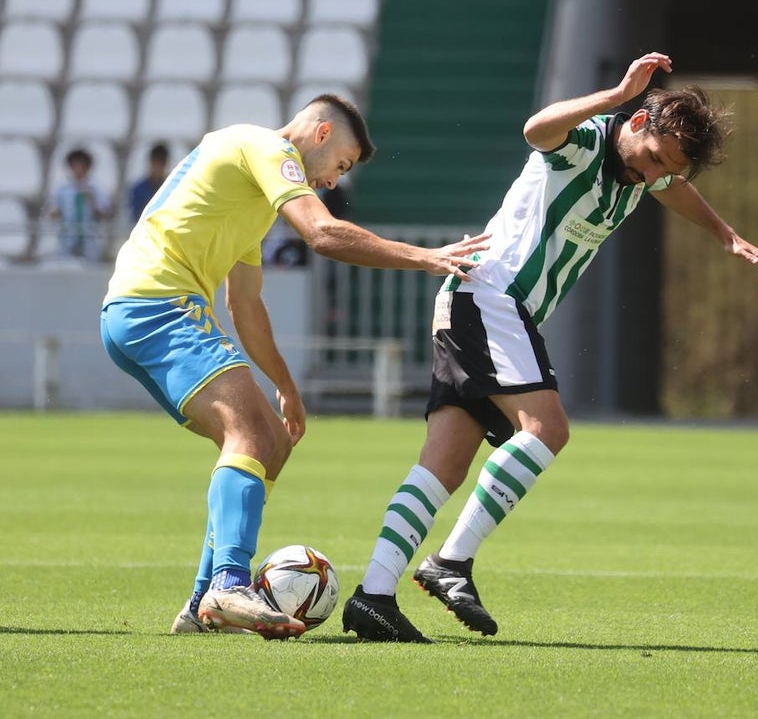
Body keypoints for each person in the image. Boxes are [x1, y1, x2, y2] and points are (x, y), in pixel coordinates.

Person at [342, 52, 758, 643]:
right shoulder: (582, 145)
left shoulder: (646, 173)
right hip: (490, 297)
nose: (652, 175)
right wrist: (613, 95)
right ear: (635, 124)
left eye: (665, 170)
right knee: (547, 428)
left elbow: (674, 189)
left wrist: (728, 236)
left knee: (445, 464)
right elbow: (536, 130)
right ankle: (450, 563)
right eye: (653, 158)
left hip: (484, 306)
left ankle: (372, 596)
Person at [100, 93, 488, 639]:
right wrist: (422, 256)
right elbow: (322, 233)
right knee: (249, 435)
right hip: (158, 307)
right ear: (322, 134)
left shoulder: (248, 188)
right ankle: (229, 585)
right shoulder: (265, 148)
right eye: (341, 165)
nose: (333, 181)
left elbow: (246, 306)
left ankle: (203, 605)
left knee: (271, 443)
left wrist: (286, 386)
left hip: (145, 311)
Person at [47, 147, 111, 261]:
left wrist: (92, 201)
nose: (78, 169)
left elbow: (104, 213)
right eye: (75, 165)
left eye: (82, 165)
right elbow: (52, 212)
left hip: (89, 237)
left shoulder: (96, 187)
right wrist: (54, 214)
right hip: (67, 237)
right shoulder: (62, 188)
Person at [128, 142, 171, 224]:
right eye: (156, 163)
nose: (158, 168)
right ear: (151, 163)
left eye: (161, 164)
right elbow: (135, 215)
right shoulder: (138, 189)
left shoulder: (171, 188)